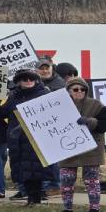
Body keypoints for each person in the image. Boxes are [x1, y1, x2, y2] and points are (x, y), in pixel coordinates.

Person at [59, 78, 106, 212]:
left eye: (82, 89)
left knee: (91, 181)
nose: (79, 91)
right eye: (75, 89)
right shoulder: (59, 106)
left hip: (91, 150)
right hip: (67, 149)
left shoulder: (96, 104)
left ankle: (94, 209)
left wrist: (90, 122)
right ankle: (67, 208)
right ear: (68, 91)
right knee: (66, 180)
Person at [0, 69, 51, 205]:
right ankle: (29, 198)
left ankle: (36, 199)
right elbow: (3, 113)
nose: (28, 81)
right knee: (21, 171)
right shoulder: (13, 96)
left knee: (35, 171)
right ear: (19, 82)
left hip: (35, 140)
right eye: (25, 79)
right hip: (17, 139)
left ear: (36, 81)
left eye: (31, 79)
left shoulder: (43, 94)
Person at [36, 55, 64, 196]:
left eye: (47, 68)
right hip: (39, 125)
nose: (45, 71)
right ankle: (45, 185)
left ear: (52, 68)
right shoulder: (34, 82)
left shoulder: (59, 83)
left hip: (55, 125)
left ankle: (55, 185)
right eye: (42, 68)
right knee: (42, 158)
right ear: (36, 70)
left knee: (53, 158)